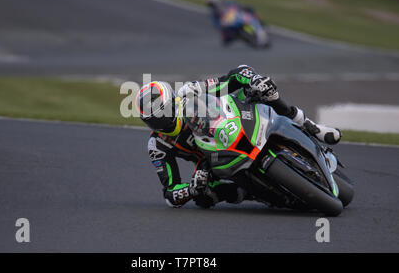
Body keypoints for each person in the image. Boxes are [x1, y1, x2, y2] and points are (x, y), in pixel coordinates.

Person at [135, 65, 341, 209]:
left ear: (173, 100)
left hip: (230, 122)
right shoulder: (157, 145)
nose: (163, 122)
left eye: (164, 112)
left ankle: (308, 125)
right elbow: (170, 195)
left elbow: (231, 78)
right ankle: (256, 194)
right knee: (205, 198)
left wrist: (253, 79)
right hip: (211, 161)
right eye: (155, 120)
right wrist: (190, 189)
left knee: (264, 91)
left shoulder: (190, 92)